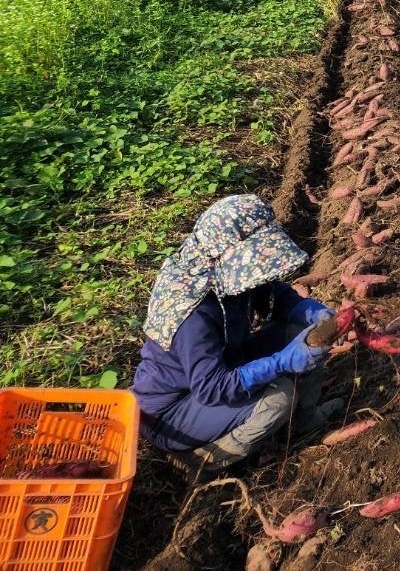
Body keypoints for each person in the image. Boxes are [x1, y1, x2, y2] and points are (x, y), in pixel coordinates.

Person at [131, 195, 341, 473]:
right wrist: (281, 362)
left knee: (309, 333)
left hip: (225, 362)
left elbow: (269, 292)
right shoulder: (192, 313)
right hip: (173, 412)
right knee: (279, 398)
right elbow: (212, 388)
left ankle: (305, 421)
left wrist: (306, 310)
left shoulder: (222, 271)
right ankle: (202, 459)